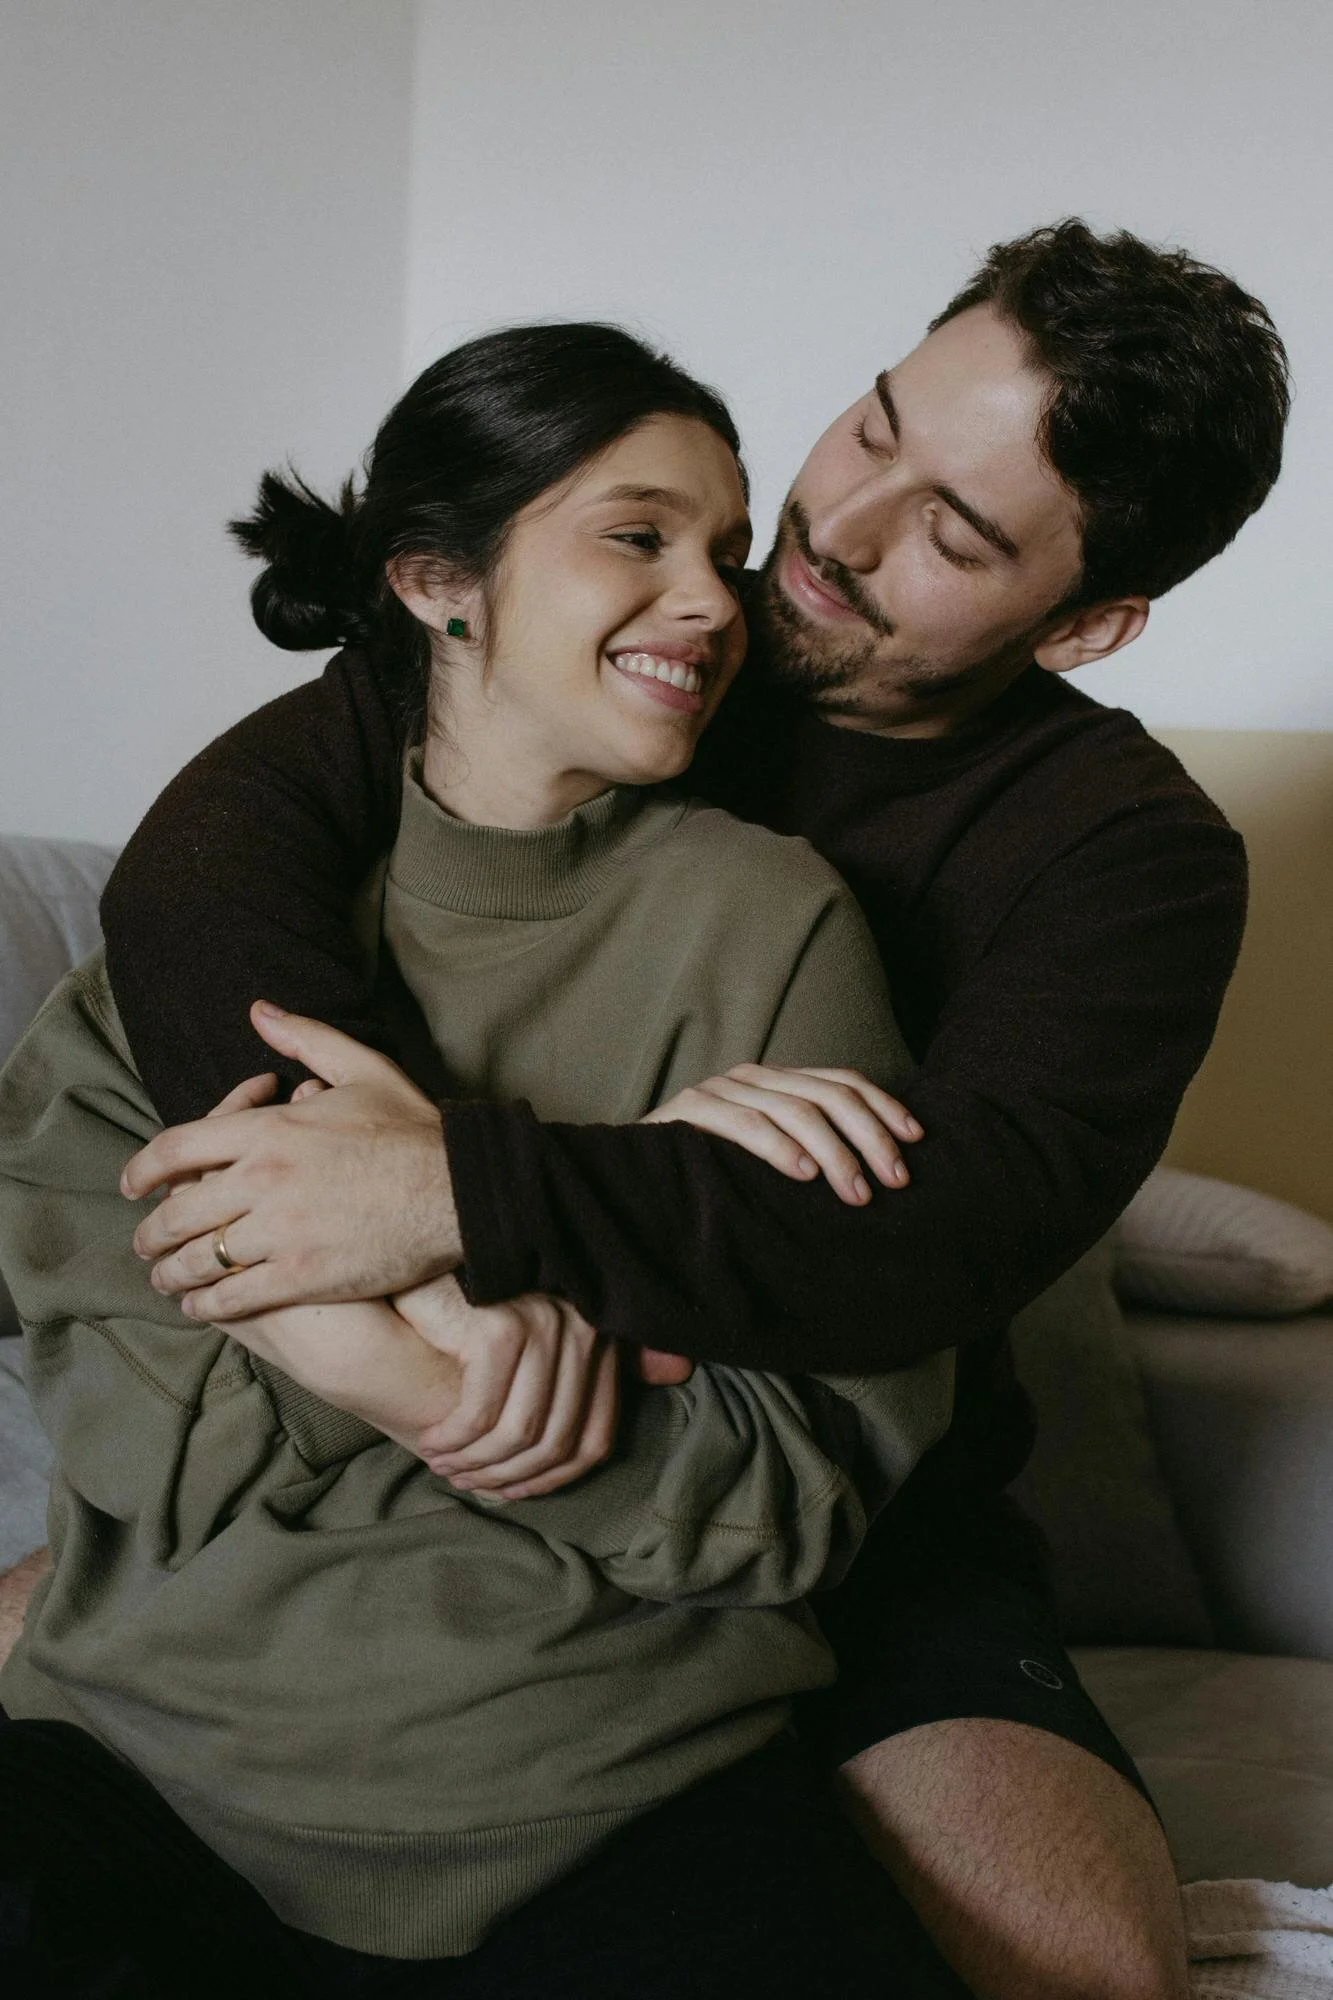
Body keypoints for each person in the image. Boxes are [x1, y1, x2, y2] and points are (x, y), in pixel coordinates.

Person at [95, 220, 1291, 2000]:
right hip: (432, 1446)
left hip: (859, 1513)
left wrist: (458, 1192)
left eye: (955, 536)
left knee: (1088, 1969)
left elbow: (945, 1229)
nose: (834, 537)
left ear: (1090, 621)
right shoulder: (631, 641)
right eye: (875, 429)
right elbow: (204, 873)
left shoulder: (1129, 858)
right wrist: (415, 1291)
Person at [0, 324, 968, 1997]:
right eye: (639, 535)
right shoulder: (200, 944)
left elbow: (798, 1480)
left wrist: (370, 1316)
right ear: (443, 583)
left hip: (613, 1793)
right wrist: (454, 1338)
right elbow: (147, 1450)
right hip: (136, 1772)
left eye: (727, 556)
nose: (715, 603)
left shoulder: (774, 930)